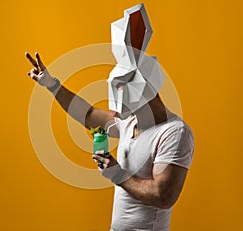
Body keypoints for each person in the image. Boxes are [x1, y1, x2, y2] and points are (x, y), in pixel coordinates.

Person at [25, 4, 194, 230]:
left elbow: (164, 196)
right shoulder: (130, 121)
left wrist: (117, 174)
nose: (117, 98)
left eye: (123, 87)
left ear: (147, 86)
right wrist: (52, 85)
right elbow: (88, 114)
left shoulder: (174, 132)